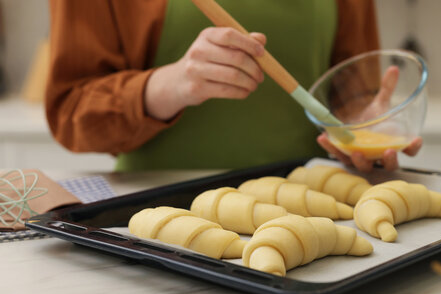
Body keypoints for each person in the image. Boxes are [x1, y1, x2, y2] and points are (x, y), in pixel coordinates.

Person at [46, 0, 421, 172]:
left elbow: (350, 94)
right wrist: (172, 84)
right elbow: (69, 110)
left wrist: (362, 123)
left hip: (311, 207)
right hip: (154, 220)